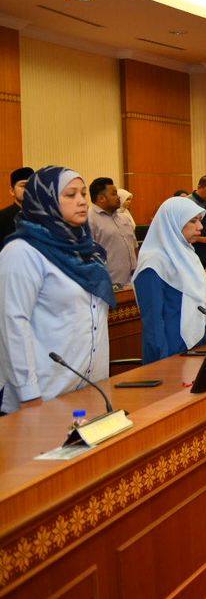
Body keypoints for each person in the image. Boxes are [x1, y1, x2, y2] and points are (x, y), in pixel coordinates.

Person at [0, 167, 114, 413]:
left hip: (90, 390)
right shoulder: (22, 252)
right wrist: (29, 394)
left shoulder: (87, 250)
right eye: (70, 195)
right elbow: (12, 325)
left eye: (83, 193)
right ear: (45, 200)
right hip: (43, 394)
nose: (82, 201)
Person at [132, 196, 206, 363]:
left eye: (200, 220)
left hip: (198, 347)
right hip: (170, 353)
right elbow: (153, 325)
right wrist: (162, 365)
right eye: (193, 221)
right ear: (173, 223)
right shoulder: (152, 264)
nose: (200, 226)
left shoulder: (187, 254)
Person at [87, 177, 137, 288]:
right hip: (108, 287)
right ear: (101, 198)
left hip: (132, 284)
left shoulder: (124, 218)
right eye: (114, 194)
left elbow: (134, 247)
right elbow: (86, 257)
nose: (118, 197)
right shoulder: (88, 220)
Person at [0, 166, 33, 246]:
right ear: (12, 191)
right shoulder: (2, 217)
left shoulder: (42, 215)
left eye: (30, 185)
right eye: (23, 186)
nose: (27, 189)